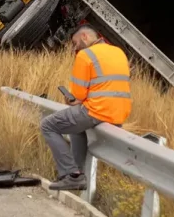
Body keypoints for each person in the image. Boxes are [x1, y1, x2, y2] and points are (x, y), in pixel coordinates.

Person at [40, 25, 132, 191]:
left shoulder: (85, 55)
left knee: (48, 125)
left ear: (84, 36)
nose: (75, 48)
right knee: (76, 129)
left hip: (97, 110)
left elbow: (78, 94)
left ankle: (70, 174)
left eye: (75, 43)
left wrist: (72, 99)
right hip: (119, 113)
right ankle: (77, 172)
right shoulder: (119, 52)